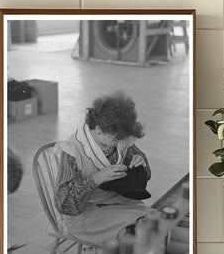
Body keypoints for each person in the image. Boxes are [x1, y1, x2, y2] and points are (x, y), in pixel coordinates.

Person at [54, 91, 157, 245]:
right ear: (98, 129)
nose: (119, 143)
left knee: (159, 223)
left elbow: (144, 176)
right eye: (115, 139)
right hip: (84, 215)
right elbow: (65, 204)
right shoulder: (73, 149)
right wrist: (98, 178)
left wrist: (139, 163)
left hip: (118, 204)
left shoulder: (119, 137)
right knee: (142, 233)